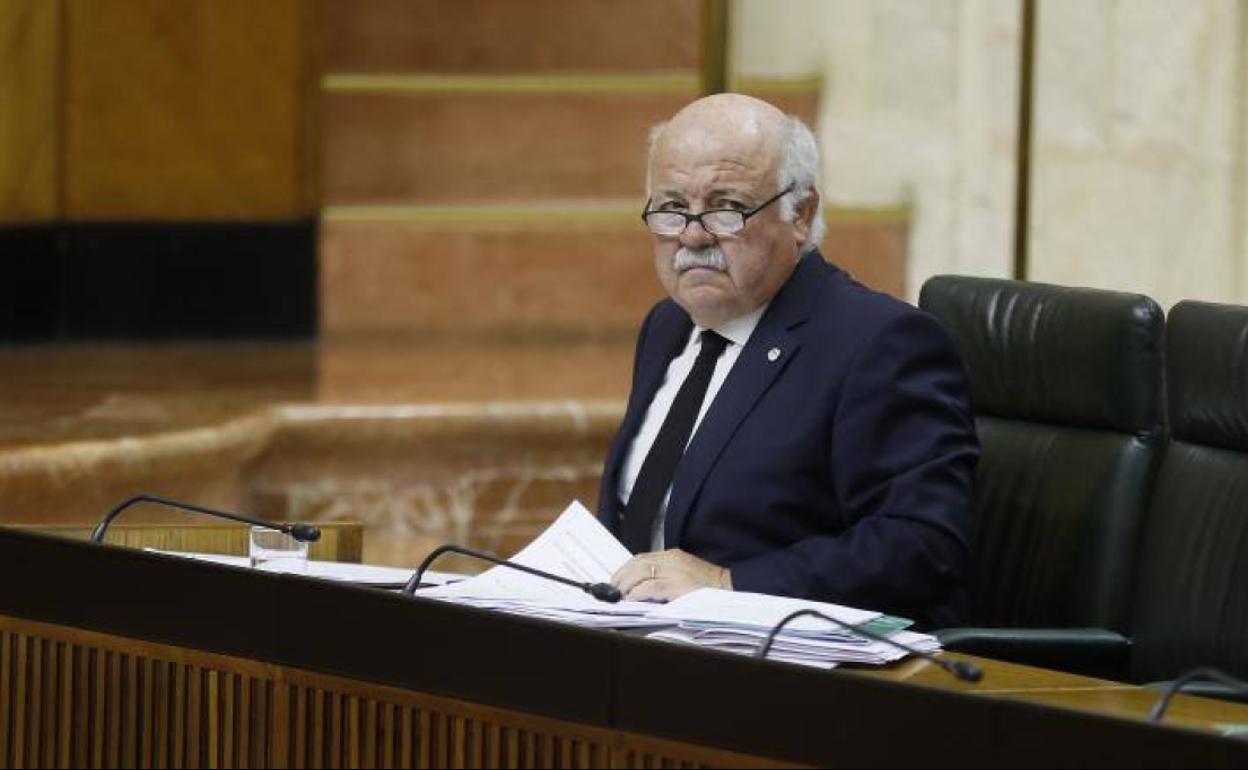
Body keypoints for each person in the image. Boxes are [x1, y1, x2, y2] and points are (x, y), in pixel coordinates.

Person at [598, 93, 978, 628]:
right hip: (639, 647)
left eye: (726, 208)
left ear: (800, 214)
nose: (692, 235)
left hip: (785, 678)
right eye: (672, 208)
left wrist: (730, 586)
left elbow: (921, 545)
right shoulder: (668, 326)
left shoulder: (879, 344)